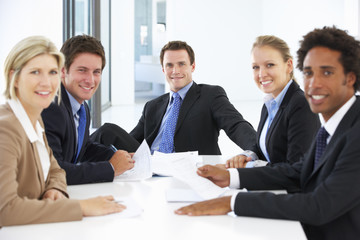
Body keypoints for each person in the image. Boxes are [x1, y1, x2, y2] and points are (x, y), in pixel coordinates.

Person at [175, 26, 360, 239]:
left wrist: (232, 202)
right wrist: (232, 176)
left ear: (351, 78)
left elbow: (320, 205)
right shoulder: (333, 125)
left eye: (327, 72)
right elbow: (300, 171)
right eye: (308, 72)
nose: (313, 83)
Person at [0, 36, 126, 226]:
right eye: (35, 72)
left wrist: (55, 189)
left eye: (51, 72)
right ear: (14, 78)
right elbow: (6, 211)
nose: (47, 82)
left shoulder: (34, 122)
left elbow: (56, 171)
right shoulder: (6, 129)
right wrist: (82, 207)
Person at [42, 35, 138, 185]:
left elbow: (83, 147)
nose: (90, 80)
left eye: (96, 72)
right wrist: (111, 168)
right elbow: (54, 171)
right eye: (82, 70)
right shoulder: (51, 107)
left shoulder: (82, 107)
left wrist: (118, 157)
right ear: (62, 71)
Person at [130, 40, 256, 155]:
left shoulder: (211, 95)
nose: (175, 71)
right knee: (112, 131)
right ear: (163, 69)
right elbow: (131, 140)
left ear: (193, 66)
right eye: (169, 65)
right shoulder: (152, 106)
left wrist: (255, 150)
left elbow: (236, 125)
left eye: (181, 64)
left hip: (190, 169)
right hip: (151, 168)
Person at [225, 35, 319, 168]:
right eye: (255, 67)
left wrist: (246, 169)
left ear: (289, 65)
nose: (261, 74)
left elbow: (297, 170)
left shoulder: (301, 104)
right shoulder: (269, 104)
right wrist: (248, 156)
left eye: (270, 65)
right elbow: (268, 148)